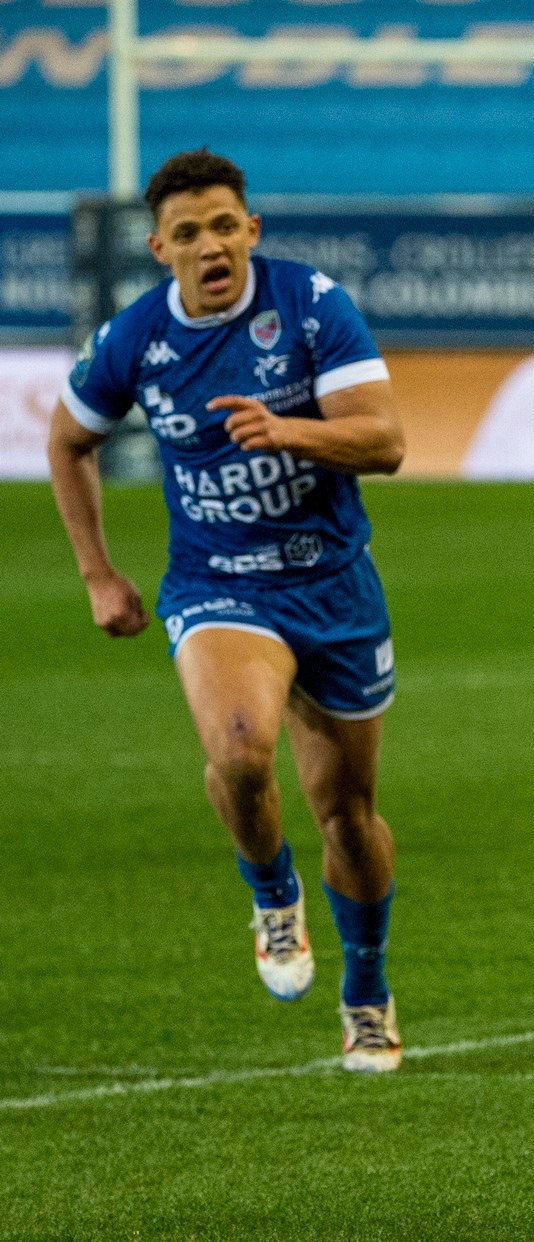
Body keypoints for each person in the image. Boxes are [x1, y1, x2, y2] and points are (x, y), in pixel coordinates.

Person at [46, 148, 408, 1072]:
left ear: (251, 229)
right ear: (158, 247)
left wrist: (289, 429)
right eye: (188, 232)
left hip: (331, 583)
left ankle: (365, 985)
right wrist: (98, 573)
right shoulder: (136, 339)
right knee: (241, 750)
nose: (210, 245)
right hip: (220, 585)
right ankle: (271, 889)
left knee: (348, 814)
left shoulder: (311, 304)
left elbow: (387, 442)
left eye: (224, 225)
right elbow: (68, 439)